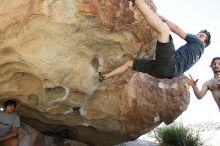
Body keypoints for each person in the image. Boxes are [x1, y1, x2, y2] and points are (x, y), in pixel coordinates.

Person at [98, 0, 211, 82]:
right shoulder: (198, 54)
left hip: (169, 66)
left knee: (164, 30)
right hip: (163, 73)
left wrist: (164, 19)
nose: (201, 34)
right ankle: (105, 76)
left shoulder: (198, 42)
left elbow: (176, 29)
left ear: (205, 42)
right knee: (129, 64)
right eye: (200, 33)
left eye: (204, 35)